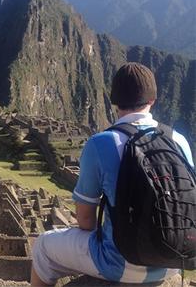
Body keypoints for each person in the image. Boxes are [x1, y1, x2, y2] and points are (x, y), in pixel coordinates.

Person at [31, 62, 194, 286]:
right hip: (174, 260)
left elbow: (86, 220)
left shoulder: (102, 143)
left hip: (121, 264)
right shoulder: (179, 140)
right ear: (152, 100)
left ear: (114, 102)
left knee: (43, 246)